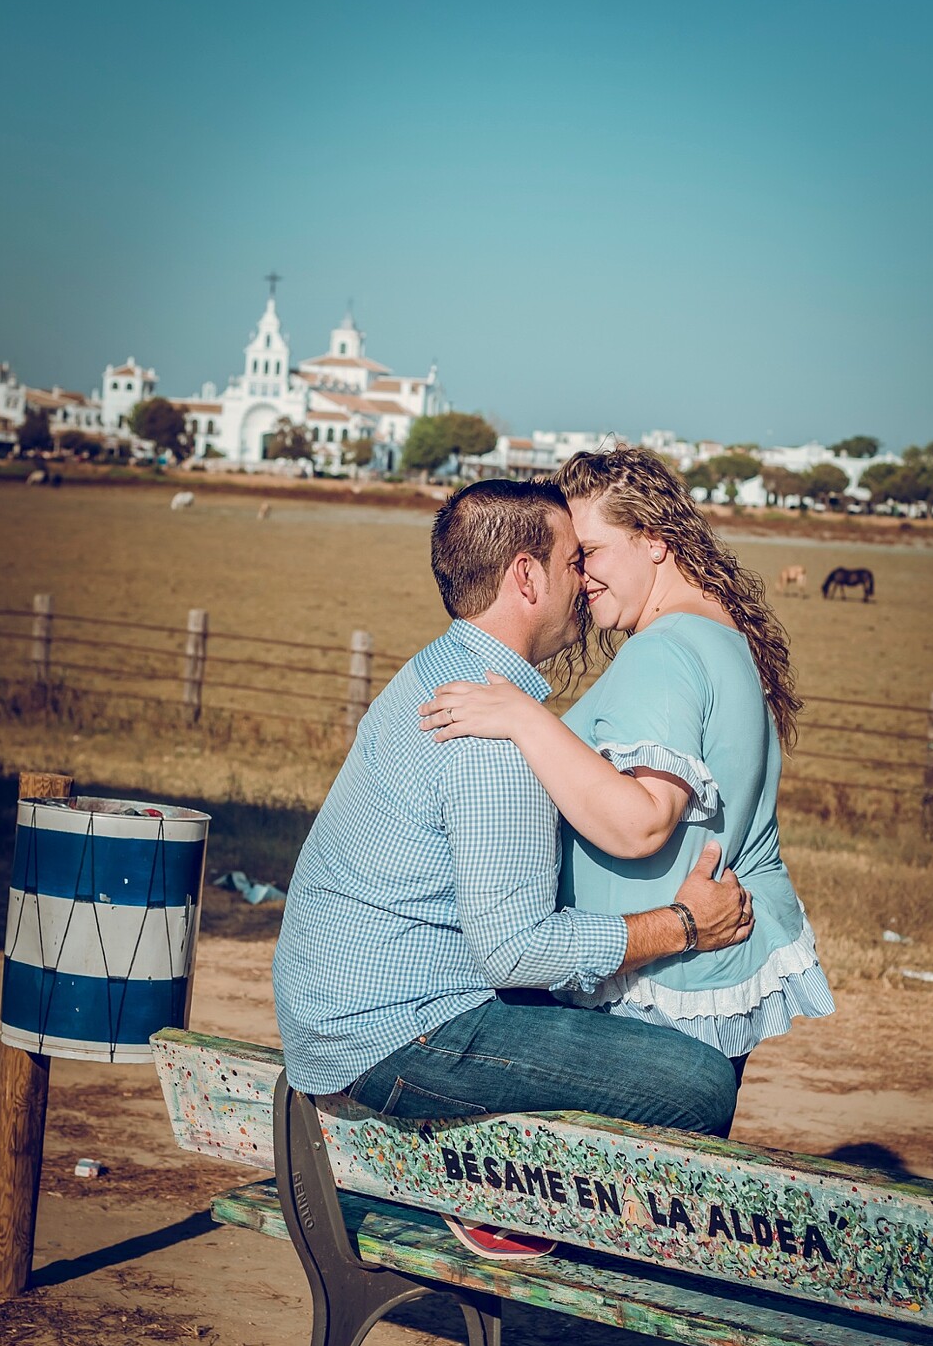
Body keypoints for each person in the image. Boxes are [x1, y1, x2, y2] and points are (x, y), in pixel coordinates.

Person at [417, 448, 834, 1346]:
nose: (581, 574)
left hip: (672, 969)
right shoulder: (716, 644)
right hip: (705, 960)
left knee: (683, 1207)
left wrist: (521, 718)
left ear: (656, 541)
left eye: (592, 548)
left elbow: (640, 816)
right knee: (691, 1206)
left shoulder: (661, 655)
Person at [272, 479, 755, 1266]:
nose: (585, 580)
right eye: (573, 561)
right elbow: (513, 952)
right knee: (699, 1082)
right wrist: (683, 926)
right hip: (398, 1033)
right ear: (526, 578)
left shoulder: (434, 672)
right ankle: (518, 1199)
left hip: (332, 1010)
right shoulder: (498, 740)